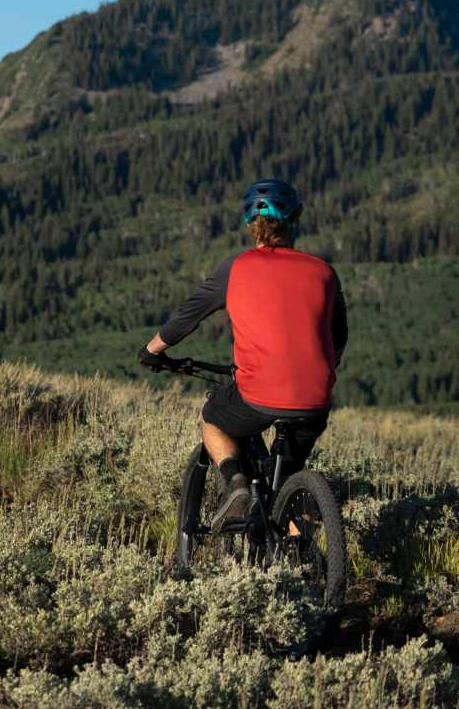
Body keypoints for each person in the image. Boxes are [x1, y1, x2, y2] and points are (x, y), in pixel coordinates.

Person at [139, 179, 347, 532]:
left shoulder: (235, 268)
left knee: (213, 417)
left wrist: (151, 351)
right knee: (292, 477)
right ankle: (299, 562)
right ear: (293, 222)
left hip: (258, 396)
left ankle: (235, 483)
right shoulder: (325, 272)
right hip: (315, 401)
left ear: (252, 228)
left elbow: (188, 316)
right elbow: (338, 339)